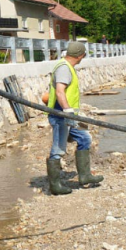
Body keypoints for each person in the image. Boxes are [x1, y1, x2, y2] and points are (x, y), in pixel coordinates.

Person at [46, 41, 104, 195]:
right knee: (57, 150)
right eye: (83, 56)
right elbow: (60, 92)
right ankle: (55, 186)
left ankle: (85, 176)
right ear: (80, 56)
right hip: (61, 116)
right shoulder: (64, 68)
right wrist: (67, 112)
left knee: (84, 139)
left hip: (68, 116)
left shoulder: (66, 66)